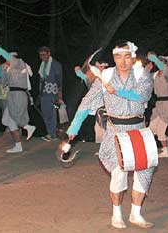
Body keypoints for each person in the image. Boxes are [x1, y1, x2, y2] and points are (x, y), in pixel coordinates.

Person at [67, 41, 155, 229]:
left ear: (132, 57)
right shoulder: (105, 77)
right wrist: (74, 127)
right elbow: (87, 102)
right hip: (116, 130)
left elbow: (143, 96)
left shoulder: (142, 75)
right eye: (118, 57)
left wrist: (118, 91)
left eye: (126, 56)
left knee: (144, 172)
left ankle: (136, 213)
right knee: (118, 173)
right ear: (114, 58)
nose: (122, 61)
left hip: (138, 128)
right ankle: (116, 214)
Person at [0, 43, 36, 153]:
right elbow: (2, 80)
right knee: (7, 120)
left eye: (8, 58)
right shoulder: (9, 69)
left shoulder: (20, 63)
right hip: (11, 95)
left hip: (19, 94)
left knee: (15, 117)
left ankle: (27, 126)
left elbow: (8, 56)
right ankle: (18, 145)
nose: (7, 60)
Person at [147, 54, 168, 158]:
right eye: (159, 61)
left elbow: (165, 70)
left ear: (167, 62)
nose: (161, 63)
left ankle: (166, 151)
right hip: (159, 104)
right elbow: (144, 78)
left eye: (163, 61)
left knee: (161, 130)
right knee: (151, 129)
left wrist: (154, 59)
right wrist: (146, 70)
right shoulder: (155, 75)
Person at [37, 46, 63, 142]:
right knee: (45, 112)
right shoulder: (43, 65)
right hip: (44, 91)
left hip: (52, 91)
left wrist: (59, 93)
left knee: (51, 112)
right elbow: (41, 79)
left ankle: (52, 134)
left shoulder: (55, 65)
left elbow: (59, 80)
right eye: (40, 55)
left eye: (44, 54)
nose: (42, 57)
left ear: (49, 54)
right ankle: (50, 132)